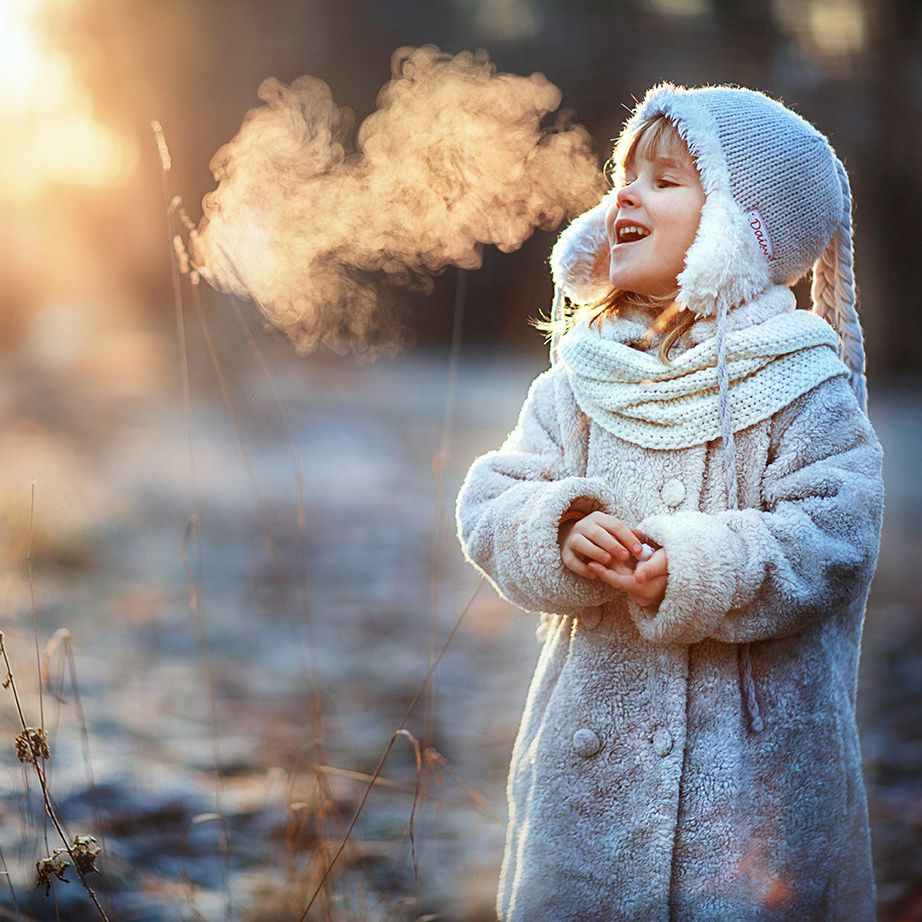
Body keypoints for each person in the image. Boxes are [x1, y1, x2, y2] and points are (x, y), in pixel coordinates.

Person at [455, 83, 884, 922]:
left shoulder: (803, 382)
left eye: (664, 179)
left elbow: (835, 532)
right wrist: (561, 527)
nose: (626, 195)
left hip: (748, 797)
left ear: (739, 229)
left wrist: (698, 567)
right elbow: (494, 499)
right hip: (594, 776)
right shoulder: (583, 378)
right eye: (624, 177)